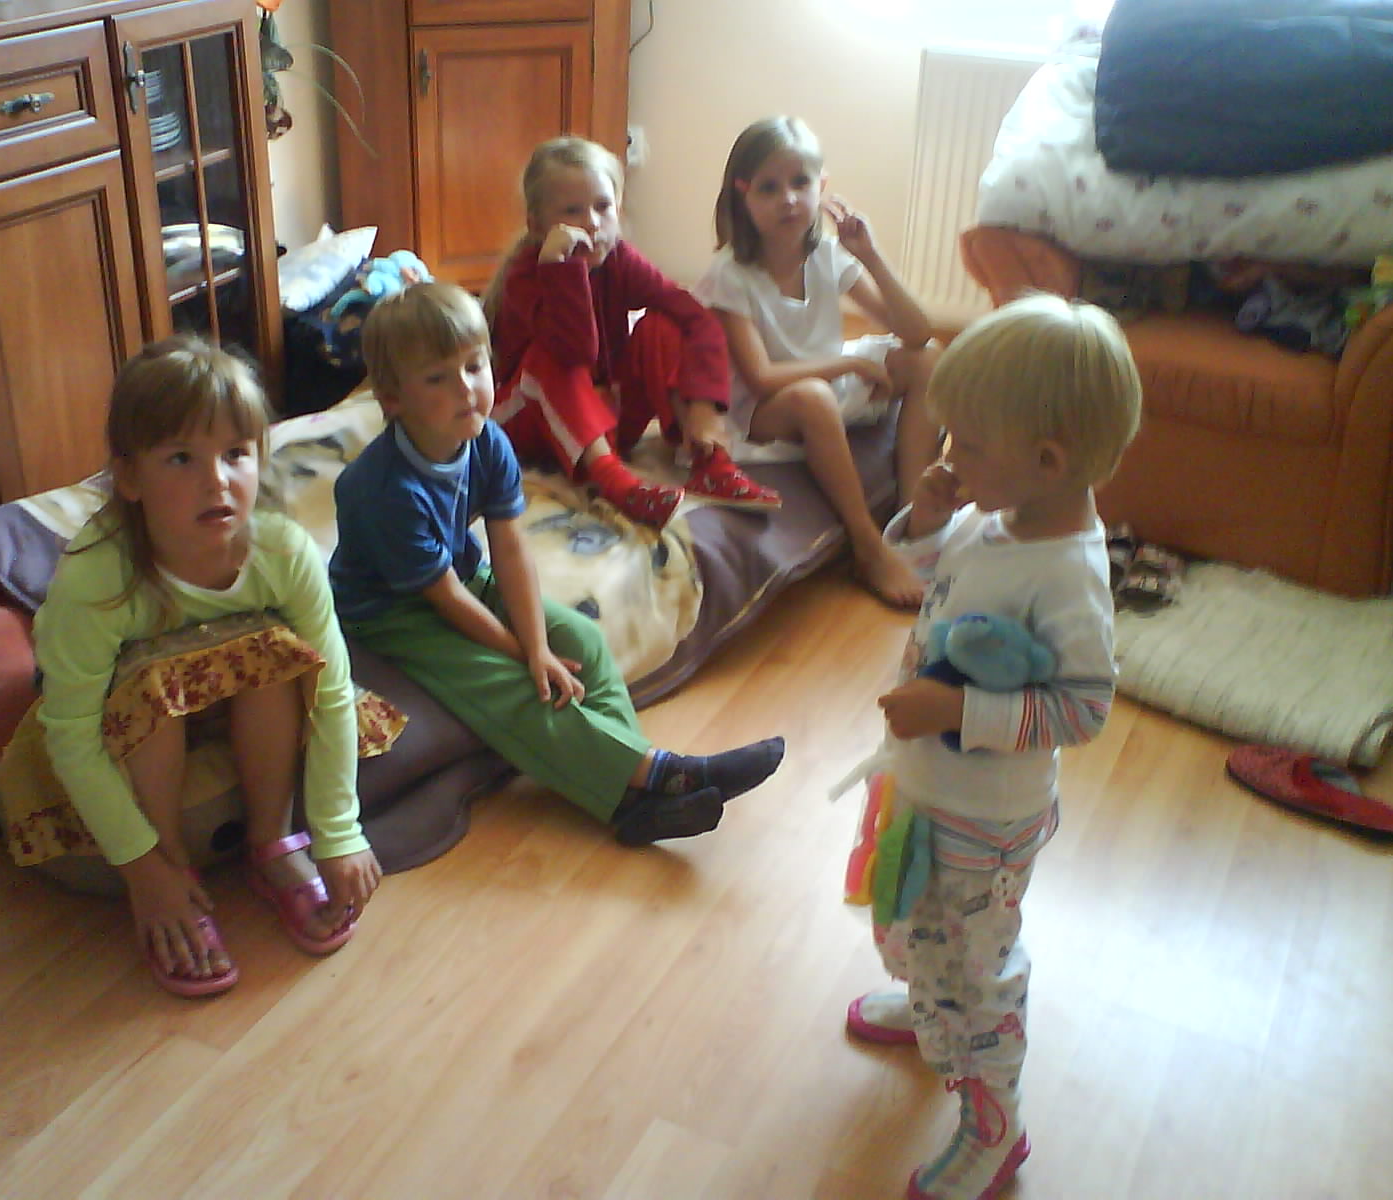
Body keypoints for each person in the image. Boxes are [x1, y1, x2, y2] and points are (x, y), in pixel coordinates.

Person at [844, 294, 1142, 1200]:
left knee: (980, 974)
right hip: (923, 781)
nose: (946, 455)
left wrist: (955, 713)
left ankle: (993, 1122)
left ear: (1046, 461)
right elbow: (923, 575)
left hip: (988, 818)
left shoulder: (1069, 573)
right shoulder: (994, 517)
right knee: (908, 913)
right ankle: (929, 1003)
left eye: (966, 443)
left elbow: (1083, 709)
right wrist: (926, 519)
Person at [330, 281, 786, 848]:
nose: (466, 388)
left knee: (582, 642)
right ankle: (665, 776)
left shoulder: (486, 442)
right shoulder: (383, 490)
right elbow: (443, 598)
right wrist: (523, 654)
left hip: (462, 574)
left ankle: (636, 798)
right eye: (437, 378)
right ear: (392, 398)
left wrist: (541, 644)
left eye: (474, 366)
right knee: (515, 684)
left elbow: (510, 550)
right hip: (391, 610)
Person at [25, 335, 381, 998]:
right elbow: (71, 735)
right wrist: (140, 869)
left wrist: (338, 830)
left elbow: (331, 688)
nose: (216, 480)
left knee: (280, 652)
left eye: (236, 454)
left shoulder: (284, 551)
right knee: (155, 679)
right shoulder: (96, 580)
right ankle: (171, 870)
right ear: (130, 477)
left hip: (228, 682)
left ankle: (271, 843)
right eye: (181, 458)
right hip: (131, 706)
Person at [697, 116, 943, 608]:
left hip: (825, 377)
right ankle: (867, 545)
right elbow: (762, 379)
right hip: (764, 409)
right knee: (813, 397)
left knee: (929, 360)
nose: (788, 199)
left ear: (822, 186)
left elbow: (918, 332)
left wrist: (870, 256)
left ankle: (913, 517)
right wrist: (846, 367)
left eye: (800, 183)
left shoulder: (828, 254)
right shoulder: (730, 275)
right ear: (742, 195)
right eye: (769, 188)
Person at [486, 135, 781, 530]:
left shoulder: (619, 258)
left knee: (661, 324)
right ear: (537, 225)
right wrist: (563, 268)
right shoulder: (526, 276)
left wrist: (705, 408)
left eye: (602, 207)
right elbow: (576, 351)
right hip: (531, 426)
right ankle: (614, 482)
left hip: (606, 422)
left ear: (618, 207)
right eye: (572, 211)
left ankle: (709, 463)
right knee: (547, 358)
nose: (592, 223)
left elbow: (696, 318)